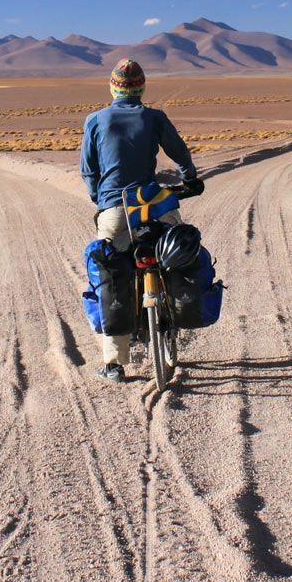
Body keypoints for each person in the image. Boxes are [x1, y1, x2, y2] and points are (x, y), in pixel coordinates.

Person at [80, 58, 202, 382]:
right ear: (141, 88)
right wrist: (190, 178)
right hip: (153, 206)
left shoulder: (95, 120)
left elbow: (88, 171)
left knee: (111, 272)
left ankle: (113, 362)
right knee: (176, 246)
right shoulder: (155, 118)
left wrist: (100, 198)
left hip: (116, 211)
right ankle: (174, 310)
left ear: (112, 87)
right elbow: (179, 152)